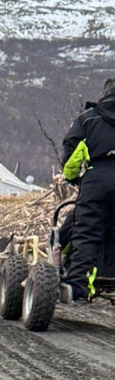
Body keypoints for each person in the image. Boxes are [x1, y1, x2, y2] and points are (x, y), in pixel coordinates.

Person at [61, 77, 115, 303]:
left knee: (86, 234)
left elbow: (71, 160)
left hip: (97, 180)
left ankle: (77, 290)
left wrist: (72, 177)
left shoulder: (88, 119)